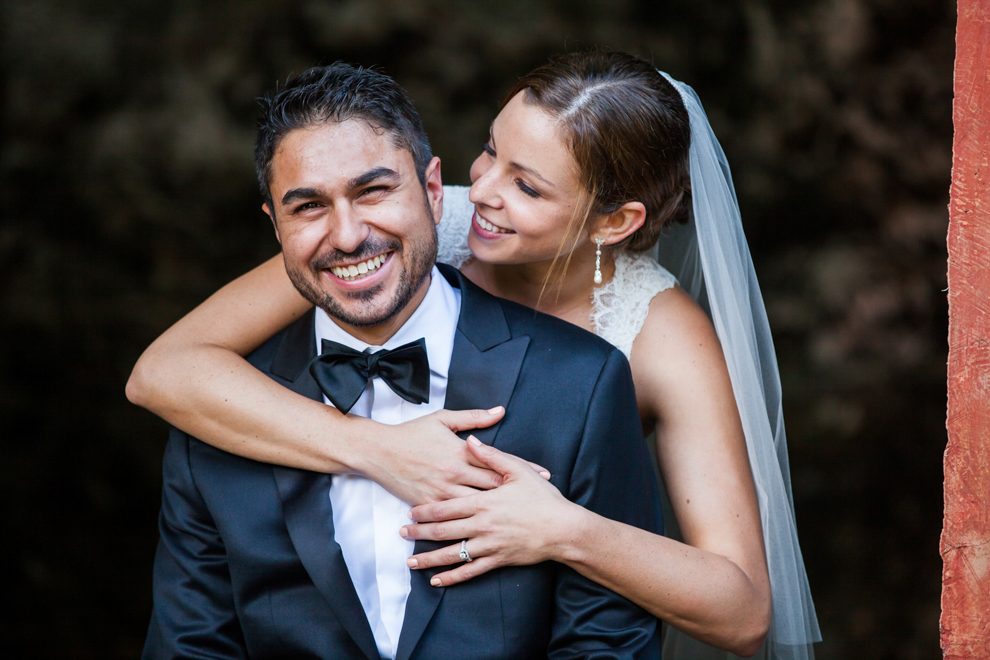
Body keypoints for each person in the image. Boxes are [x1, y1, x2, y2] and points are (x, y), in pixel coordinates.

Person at [129, 52, 820, 659]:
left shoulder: (659, 337)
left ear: (613, 222)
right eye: (492, 151)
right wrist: (375, 448)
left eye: (528, 186)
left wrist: (563, 530)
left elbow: (743, 612)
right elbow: (167, 371)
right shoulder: (413, 225)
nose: (484, 191)